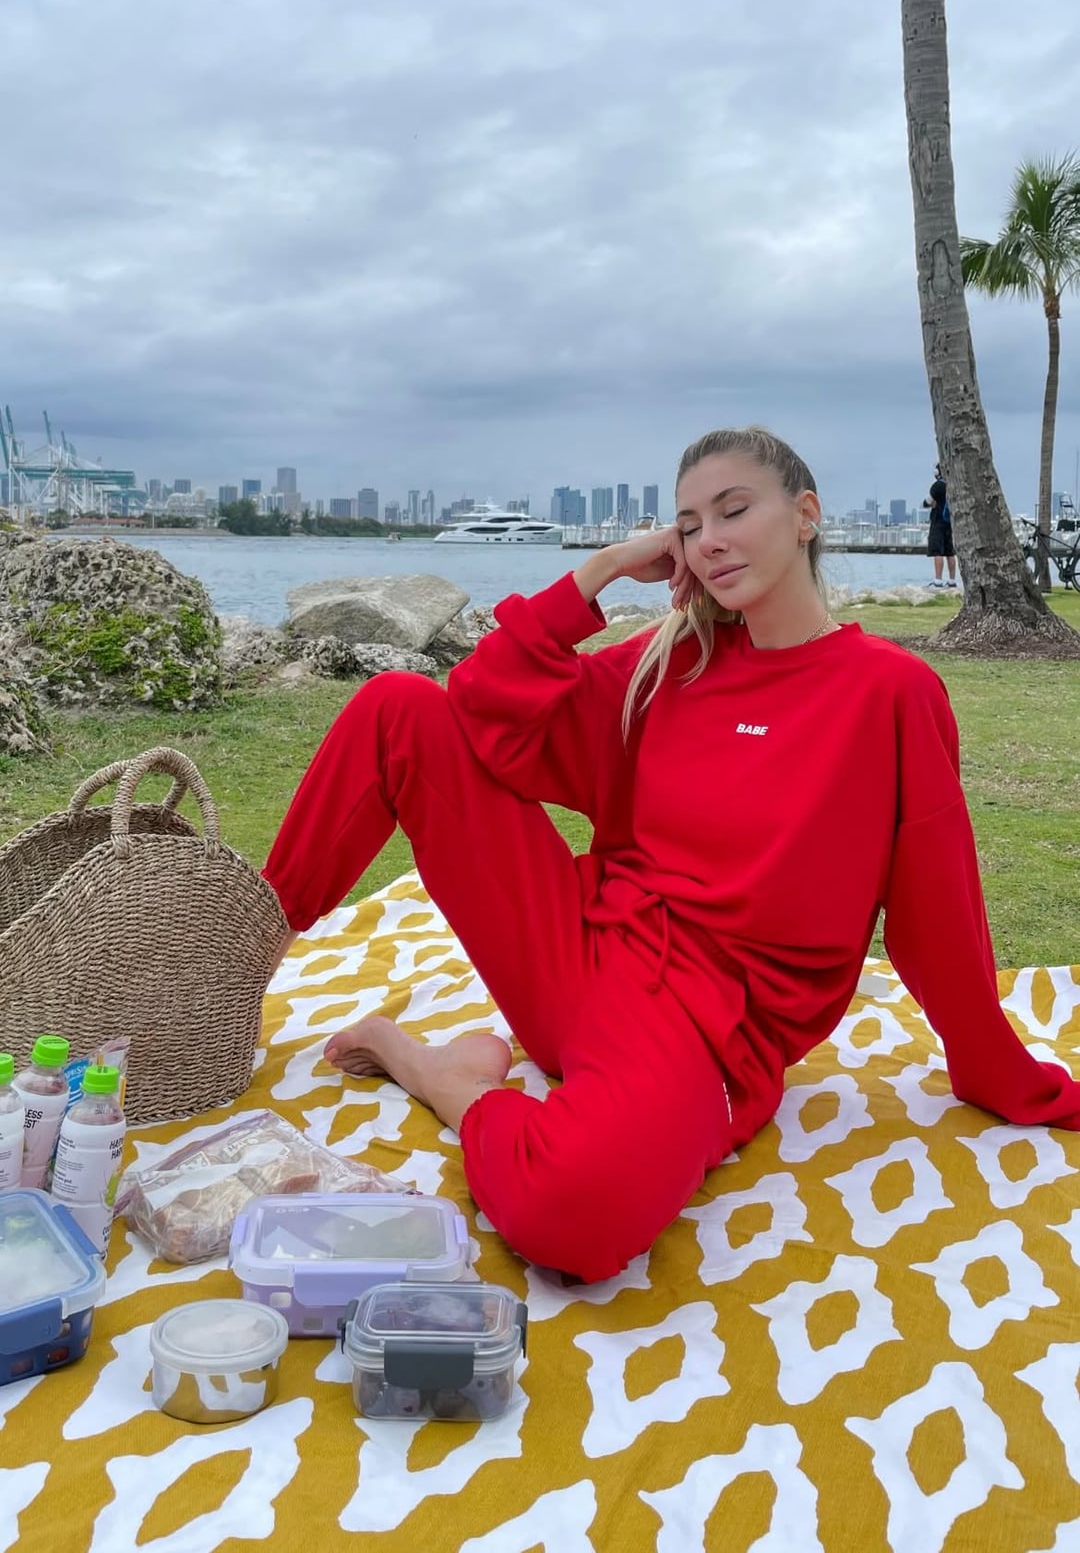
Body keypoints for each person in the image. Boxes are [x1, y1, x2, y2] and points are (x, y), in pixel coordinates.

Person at [263, 426, 1080, 1283]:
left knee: (573, 1213)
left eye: (734, 510)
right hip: (575, 953)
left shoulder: (890, 692)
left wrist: (997, 1068)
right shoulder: (675, 661)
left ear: (805, 515)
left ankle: (439, 1075)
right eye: (689, 526)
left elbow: (937, 910)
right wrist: (604, 569)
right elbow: (483, 701)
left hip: (705, 1030)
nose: (710, 539)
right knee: (397, 707)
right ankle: (244, 951)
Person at [924, 464, 957, 589]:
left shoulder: (938, 486)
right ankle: (952, 580)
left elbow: (928, 501)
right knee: (950, 552)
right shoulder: (953, 484)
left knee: (937, 551)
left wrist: (926, 504)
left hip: (938, 521)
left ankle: (938, 580)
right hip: (949, 522)